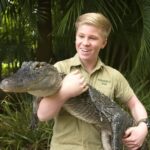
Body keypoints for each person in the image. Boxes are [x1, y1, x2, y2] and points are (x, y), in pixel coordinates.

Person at [37, 12, 148, 150]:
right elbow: (42, 115)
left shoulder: (114, 76)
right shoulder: (59, 68)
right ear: (75, 37)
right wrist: (65, 91)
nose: (85, 43)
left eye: (93, 38)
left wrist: (143, 126)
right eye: (81, 36)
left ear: (104, 43)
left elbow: (134, 104)